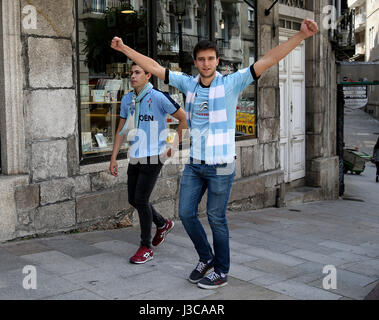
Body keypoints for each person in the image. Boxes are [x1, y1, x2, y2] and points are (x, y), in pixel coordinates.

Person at [111, 18, 318, 288]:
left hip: (221, 165)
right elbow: (153, 66)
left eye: (210, 59)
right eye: (201, 59)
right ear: (195, 63)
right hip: (196, 164)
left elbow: (267, 60)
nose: (206, 63)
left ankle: (220, 269)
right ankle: (205, 258)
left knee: (215, 218)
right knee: (185, 214)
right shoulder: (189, 85)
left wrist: (300, 36)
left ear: (217, 61)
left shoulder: (231, 83)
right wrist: (125, 49)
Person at [110, 63, 187, 264]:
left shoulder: (159, 97)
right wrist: (113, 157)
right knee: (133, 200)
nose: (133, 76)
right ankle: (162, 223)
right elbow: (120, 129)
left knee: (141, 200)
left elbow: (183, 118)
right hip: (135, 154)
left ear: (148, 75)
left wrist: (173, 147)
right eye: (131, 73)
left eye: (137, 72)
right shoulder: (128, 99)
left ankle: (146, 247)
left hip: (154, 156)